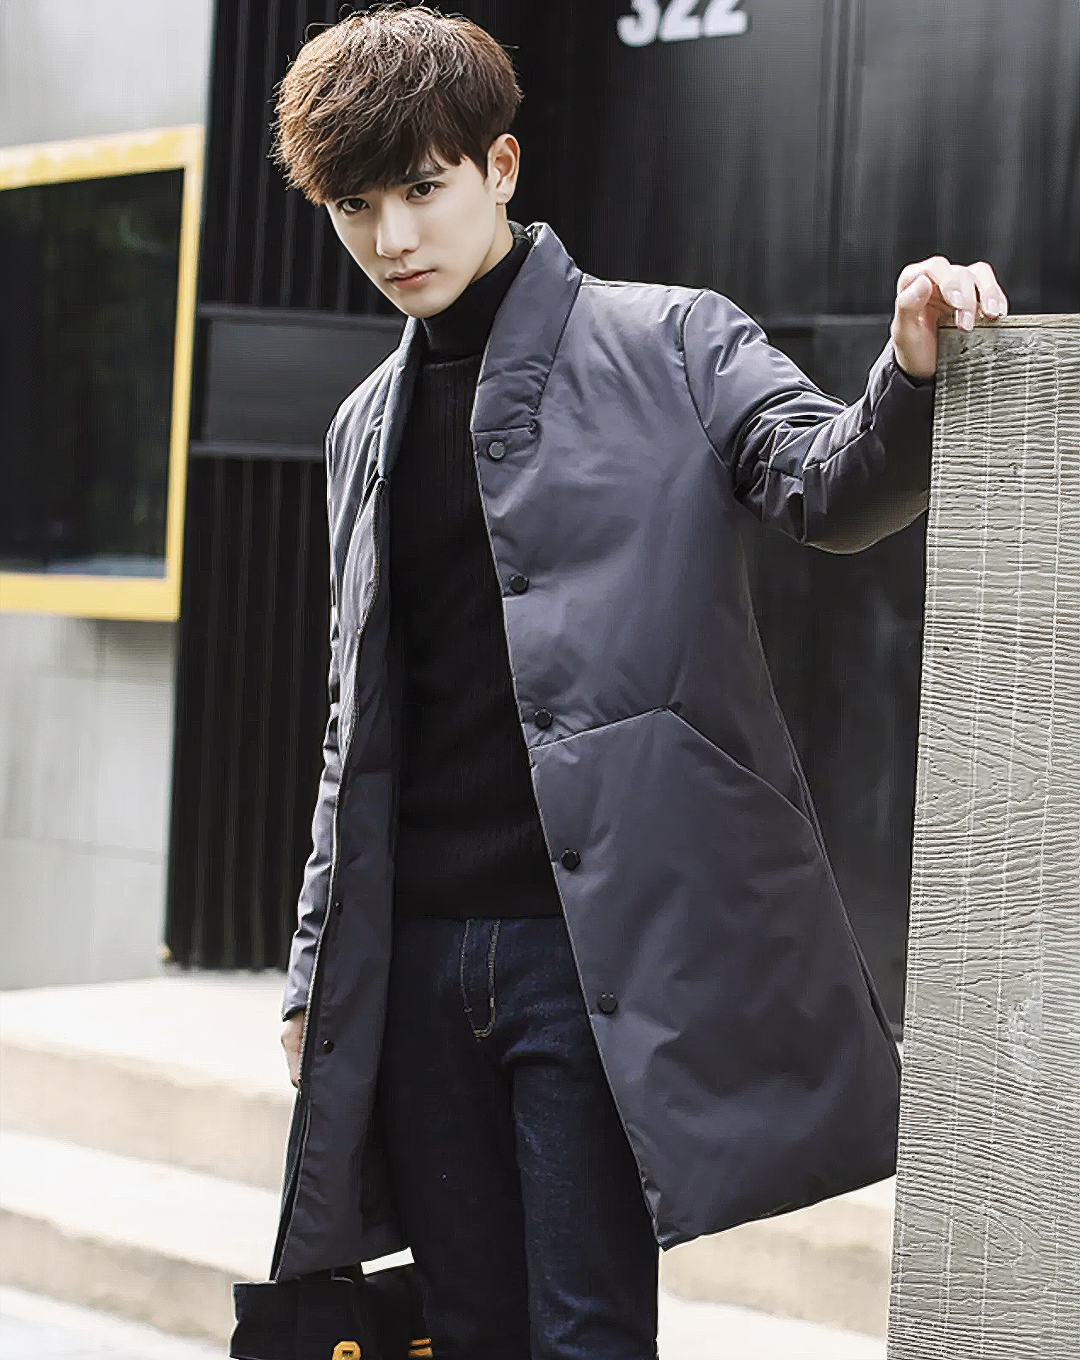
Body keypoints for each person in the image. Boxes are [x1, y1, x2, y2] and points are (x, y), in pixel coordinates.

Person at [269, 8, 1008, 1359]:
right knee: (470, 1325)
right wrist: (317, 962)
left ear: (499, 166)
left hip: (589, 948)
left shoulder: (671, 341)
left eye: (421, 188)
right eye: (356, 206)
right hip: (416, 955)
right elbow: (352, 719)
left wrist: (912, 371)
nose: (392, 237)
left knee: (587, 1329)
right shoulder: (361, 425)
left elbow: (830, 485)